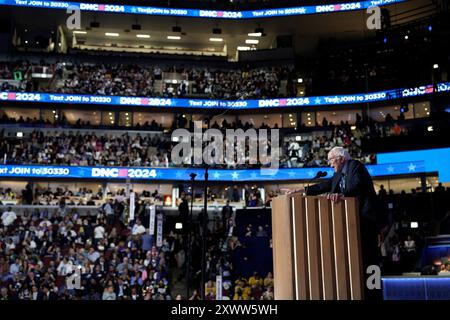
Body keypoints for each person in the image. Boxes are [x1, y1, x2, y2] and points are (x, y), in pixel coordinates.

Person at [293, 147, 380, 298]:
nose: (330, 164)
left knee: (369, 260)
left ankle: (373, 294)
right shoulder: (339, 174)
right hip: (352, 222)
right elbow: (323, 186)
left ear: (340, 158)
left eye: (331, 160)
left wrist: (341, 194)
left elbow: (357, 184)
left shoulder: (355, 165)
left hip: (366, 221)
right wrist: (300, 191)